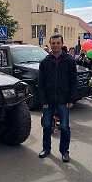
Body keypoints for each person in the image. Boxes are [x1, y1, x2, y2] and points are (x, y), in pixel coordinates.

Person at [38, 34, 78, 163]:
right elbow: (41, 83)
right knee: (47, 126)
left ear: (62, 44)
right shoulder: (44, 62)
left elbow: (73, 81)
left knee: (65, 127)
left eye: (58, 43)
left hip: (63, 99)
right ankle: (46, 148)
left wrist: (71, 99)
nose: (55, 45)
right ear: (50, 44)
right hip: (48, 100)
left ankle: (64, 151)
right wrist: (43, 101)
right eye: (53, 43)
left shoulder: (69, 61)